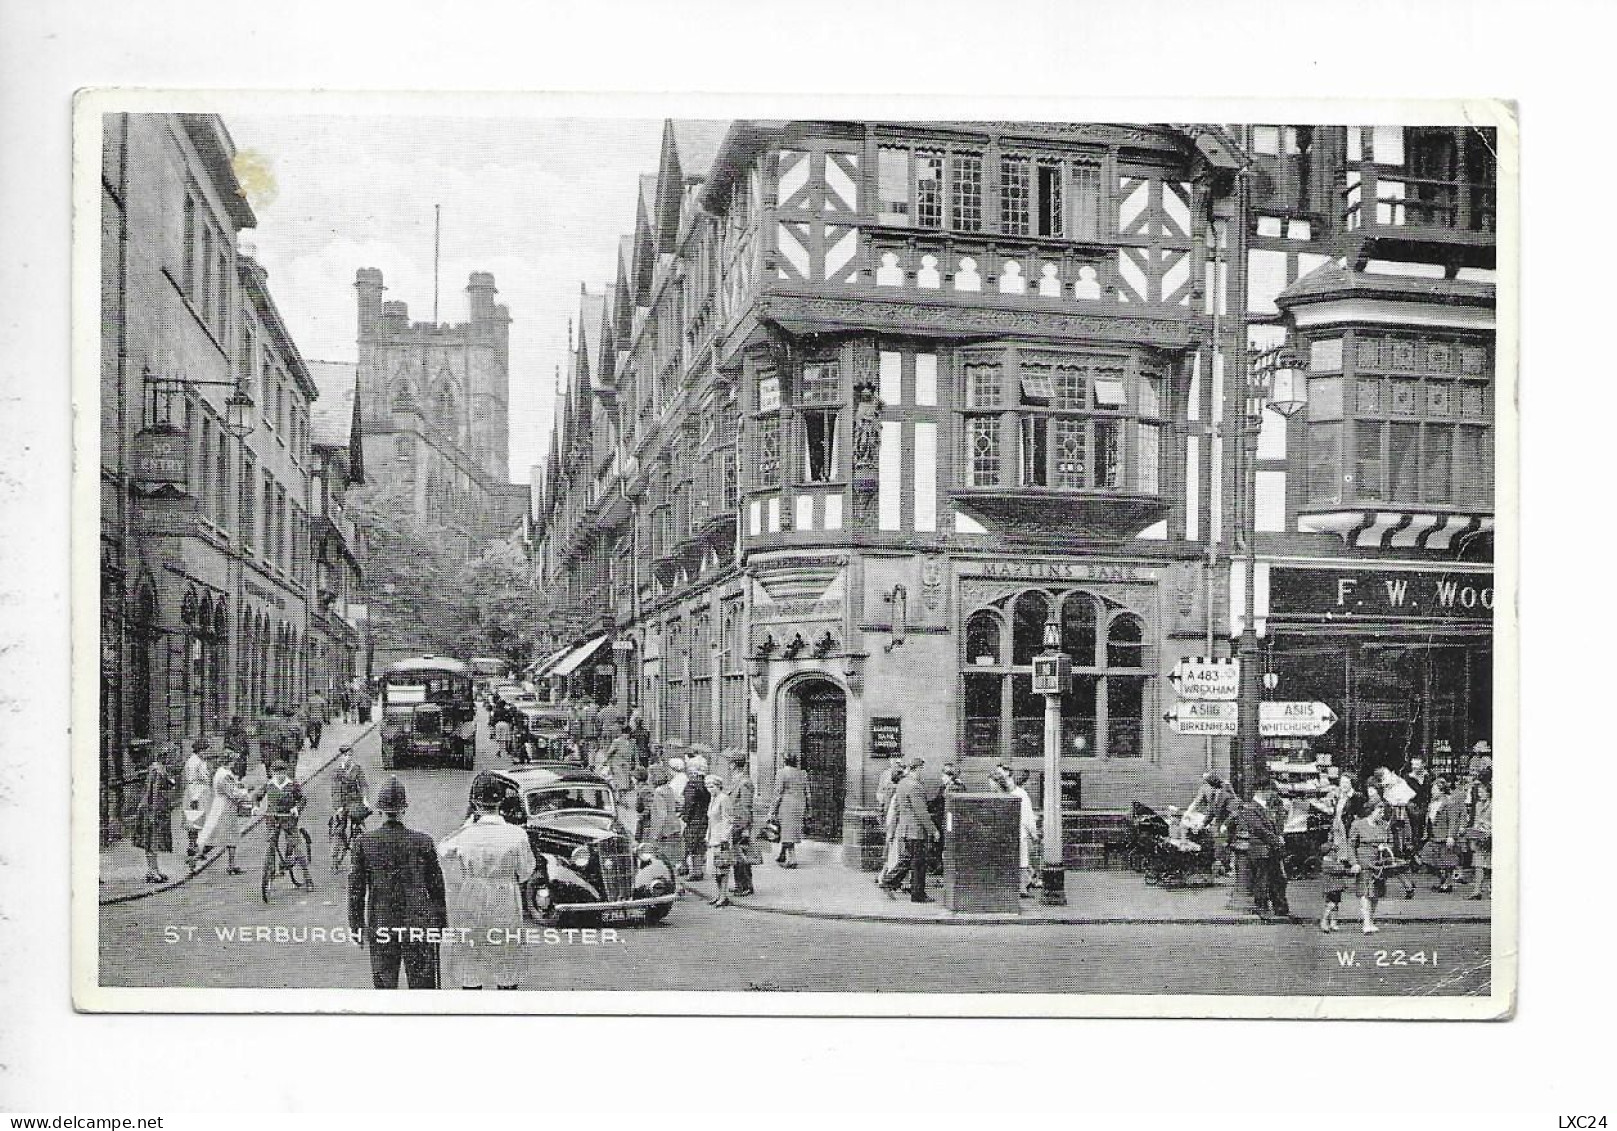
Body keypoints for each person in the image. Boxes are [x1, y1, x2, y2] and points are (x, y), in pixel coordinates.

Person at [437, 772, 539, 990]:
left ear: (475, 803)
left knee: (470, 957)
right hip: (505, 896)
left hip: (473, 893)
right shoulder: (517, 835)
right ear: (501, 801)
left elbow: (443, 850)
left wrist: (467, 824)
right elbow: (526, 871)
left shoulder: (467, 834)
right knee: (507, 956)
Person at [348, 777, 449, 989]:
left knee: (385, 988)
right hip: (418, 924)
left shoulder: (363, 843)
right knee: (423, 988)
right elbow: (437, 889)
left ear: (379, 810)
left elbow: (356, 891)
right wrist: (439, 925)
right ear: (404, 809)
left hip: (382, 923)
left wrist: (357, 926)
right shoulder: (423, 842)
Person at [879, 757, 939, 902]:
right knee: (918, 862)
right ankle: (917, 895)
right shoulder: (915, 786)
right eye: (921, 770)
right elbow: (921, 812)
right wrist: (933, 830)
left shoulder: (902, 784)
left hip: (904, 829)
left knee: (906, 859)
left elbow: (898, 809)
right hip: (916, 831)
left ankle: (889, 881)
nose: (922, 773)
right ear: (917, 769)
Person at [1235, 781, 1288, 918]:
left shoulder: (1266, 808)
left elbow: (1272, 826)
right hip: (1260, 851)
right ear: (1262, 791)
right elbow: (1259, 829)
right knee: (1262, 880)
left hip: (1270, 850)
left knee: (1278, 879)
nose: (1272, 795)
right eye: (1270, 791)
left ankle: (1280, 907)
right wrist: (1277, 840)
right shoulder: (1251, 808)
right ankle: (1262, 907)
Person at [1348, 793, 1397, 934]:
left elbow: (1391, 843)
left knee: (1375, 894)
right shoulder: (1358, 824)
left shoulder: (1384, 826)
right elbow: (1350, 845)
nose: (1381, 814)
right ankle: (1366, 922)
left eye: (1383, 811)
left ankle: (1371, 920)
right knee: (1365, 893)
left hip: (1379, 863)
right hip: (1364, 862)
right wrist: (1353, 863)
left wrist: (1386, 848)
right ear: (1371, 810)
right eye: (1379, 811)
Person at [199, 747, 251, 875]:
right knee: (224, 836)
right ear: (230, 761)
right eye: (234, 760)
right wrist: (246, 792)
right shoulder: (225, 775)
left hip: (221, 805)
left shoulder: (221, 772)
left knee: (225, 836)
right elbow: (233, 793)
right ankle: (196, 857)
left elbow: (232, 787)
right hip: (225, 807)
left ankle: (231, 865)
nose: (235, 763)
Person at [130, 742, 177, 884]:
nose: (172, 759)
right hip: (152, 809)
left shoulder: (162, 769)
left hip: (159, 808)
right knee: (151, 841)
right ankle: (151, 871)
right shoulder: (156, 770)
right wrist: (152, 812)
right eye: (170, 756)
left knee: (155, 841)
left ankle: (155, 869)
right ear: (164, 756)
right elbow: (153, 792)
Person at [259, 759, 310, 884]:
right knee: (271, 844)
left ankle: (307, 877)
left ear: (285, 772)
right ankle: (270, 873)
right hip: (272, 818)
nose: (279, 775)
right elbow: (257, 796)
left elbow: (302, 799)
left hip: (288, 818)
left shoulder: (292, 785)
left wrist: (296, 808)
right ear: (272, 773)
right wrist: (255, 806)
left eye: (282, 772)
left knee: (296, 846)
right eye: (276, 773)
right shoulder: (269, 784)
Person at [1418, 776, 1463, 893]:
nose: (1432, 791)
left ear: (1441, 789)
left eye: (1434, 789)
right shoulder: (1432, 803)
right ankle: (1443, 880)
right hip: (1433, 836)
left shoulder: (1449, 802)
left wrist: (1451, 836)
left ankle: (1446, 884)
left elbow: (1453, 821)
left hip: (1444, 837)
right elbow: (1428, 820)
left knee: (1447, 862)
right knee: (1427, 859)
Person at [330, 743, 370, 861]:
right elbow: (335, 790)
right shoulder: (337, 771)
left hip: (355, 802)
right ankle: (335, 856)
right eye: (346, 755)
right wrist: (338, 807)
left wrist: (365, 799)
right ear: (341, 756)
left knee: (361, 824)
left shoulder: (357, 768)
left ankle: (365, 853)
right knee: (339, 827)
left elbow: (363, 785)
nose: (348, 758)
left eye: (350, 755)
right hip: (342, 802)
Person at [725, 754, 757, 897]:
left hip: (741, 824)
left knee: (743, 857)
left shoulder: (744, 782)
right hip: (735, 823)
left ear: (734, 765)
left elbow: (746, 806)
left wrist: (745, 828)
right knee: (737, 856)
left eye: (730, 762)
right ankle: (739, 884)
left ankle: (746, 886)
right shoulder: (736, 780)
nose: (729, 765)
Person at [769, 751, 808, 868]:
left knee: (787, 832)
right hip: (799, 804)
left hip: (786, 804)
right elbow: (808, 793)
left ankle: (792, 859)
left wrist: (772, 810)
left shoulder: (782, 773)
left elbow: (778, 793)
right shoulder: (803, 773)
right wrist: (808, 808)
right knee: (788, 830)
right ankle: (782, 854)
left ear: (784, 761)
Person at [181, 738, 212, 871]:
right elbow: (192, 780)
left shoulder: (200, 761)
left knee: (198, 821)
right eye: (204, 751)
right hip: (196, 794)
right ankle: (193, 847)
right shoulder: (193, 762)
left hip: (201, 793)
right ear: (199, 750)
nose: (206, 753)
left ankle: (197, 847)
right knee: (194, 821)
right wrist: (194, 798)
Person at [704, 774, 734, 907]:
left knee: (722, 868)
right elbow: (710, 820)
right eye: (707, 786)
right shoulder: (712, 799)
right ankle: (719, 895)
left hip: (721, 838)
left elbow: (728, 819)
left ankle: (723, 896)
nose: (709, 789)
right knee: (714, 869)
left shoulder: (724, 798)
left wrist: (724, 837)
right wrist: (707, 835)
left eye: (712, 786)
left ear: (718, 786)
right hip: (712, 838)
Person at [648, 764, 684, 871]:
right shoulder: (669, 789)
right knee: (674, 859)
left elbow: (661, 815)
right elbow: (679, 804)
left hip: (665, 830)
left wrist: (656, 834)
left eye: (651, 775)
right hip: (675, 826)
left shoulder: (659, 792)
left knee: (664, 862)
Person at [680, 758, 711, 880]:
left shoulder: (691, 785)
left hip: (693, 820)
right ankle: (697, 871)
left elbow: (689, 803)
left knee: (688, 843)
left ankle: (689, 869)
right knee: (699, 845)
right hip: (704, 818)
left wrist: (685, 817)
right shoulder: (707, 784)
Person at [875, 762, 906, 884]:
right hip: (896, 823)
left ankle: (882, 876)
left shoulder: (889, 787)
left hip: (890, 821)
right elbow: (896, 811)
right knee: (896, 852)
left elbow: (882, 802)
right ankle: (886, 878)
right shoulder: (897, 790)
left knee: (890, 850)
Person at [1465, 780, 1493, 901]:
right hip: (1479, 837)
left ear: (1489, 793)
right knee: (1478, 865)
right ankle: (1477, 890)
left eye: (1483, 792)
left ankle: (1493, 889)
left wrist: (1486, 825)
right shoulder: (1477, 805)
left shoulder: (1494, 805)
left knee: (1492, 865)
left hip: (1490, 837)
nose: (1480, 794)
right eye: (1479, 792)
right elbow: (1476, 820)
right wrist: (1475, 830)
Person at [599, 725, 637, 792]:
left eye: (629, 733)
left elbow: (634, 755)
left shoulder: (632, 742)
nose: (628, 735)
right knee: (619, 785)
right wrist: (604, 763)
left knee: (626, 785)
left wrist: (635, 763)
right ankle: (617, 798)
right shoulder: (617, 741)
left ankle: (622, 797)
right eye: (626, 733)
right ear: (623, 733)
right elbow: (609, 753)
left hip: (626, 766)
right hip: (617, 766)